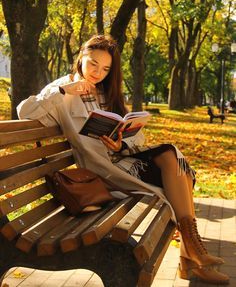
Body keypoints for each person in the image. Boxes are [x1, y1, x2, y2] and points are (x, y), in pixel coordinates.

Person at [17, 35, 229, 285]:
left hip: (125, 160)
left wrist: (122, 142)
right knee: (177, 176)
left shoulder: (107, 92)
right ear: (81, 58)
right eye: (93, 64)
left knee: (173, 160)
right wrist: (63, 91)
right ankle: (192, 256)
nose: (98, 73)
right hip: (104, 172)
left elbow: (134, 134)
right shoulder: (63, 88)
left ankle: (192, 253)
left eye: (105, 69)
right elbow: (24, 112)